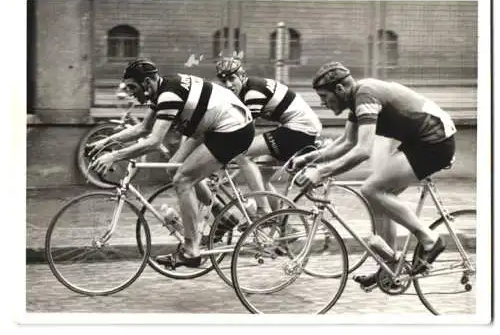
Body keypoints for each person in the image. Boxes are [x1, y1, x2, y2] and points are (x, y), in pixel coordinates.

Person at [291, 61, 457, 288]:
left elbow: (362, 150)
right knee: (379, 200)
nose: (322, 103)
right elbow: (346, 142)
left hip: (435, 141)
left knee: (372, 189)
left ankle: (430, 240)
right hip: (419, 140)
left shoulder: (365, 95)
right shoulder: (356, 99)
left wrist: (321, 172)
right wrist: (308, 159)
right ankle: (389, 270)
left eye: (324, 96)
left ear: (339, 90)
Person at [88, 59, 254, 268]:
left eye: (133, 87)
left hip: (233, 129)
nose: (130, 93)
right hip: (213, 125)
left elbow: (154, 141)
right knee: (173, 167)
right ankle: (222, 215)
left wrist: (114, 156)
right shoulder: (161, 91)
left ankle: (191, 250)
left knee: (183, 180)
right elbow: (142, 129)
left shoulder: (168, 95)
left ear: (147, 83)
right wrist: (105, 142)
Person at [215, 57, 322, 212]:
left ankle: (262, 208)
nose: (229, 85)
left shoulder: (253, 92)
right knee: (261, 177)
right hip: (297, 128)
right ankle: (279, 223)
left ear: (243, 76)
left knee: (241, 154)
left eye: (232, 79)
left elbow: (244, 132)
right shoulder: (244, 92)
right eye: (223, 82)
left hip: (300, 129)